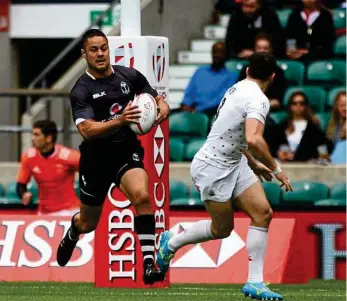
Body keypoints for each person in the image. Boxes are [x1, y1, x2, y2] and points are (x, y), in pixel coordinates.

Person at [157, 53, 292, 300]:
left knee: (263, 213)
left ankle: (255, 282)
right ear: (272, 78)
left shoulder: (237, 87)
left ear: (248, 69)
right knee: (222, 229)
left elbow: (232, 133)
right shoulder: (259, 100)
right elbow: (253, 138)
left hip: (236, 161)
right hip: (212, 167)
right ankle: (172, 243)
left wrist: (252, 162)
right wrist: (276, 169)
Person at [56, 29, 170, 285]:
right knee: (89, 222)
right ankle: (74, 230)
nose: (100, 54)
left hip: (124, 152)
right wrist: (119, 120)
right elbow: (86, 130)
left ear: (109, 49)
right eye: (94, 50)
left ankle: (149, 265)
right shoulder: (81, 89)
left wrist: (162, 107)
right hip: (96, 160)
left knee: (142, 195)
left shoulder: (129, 76)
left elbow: (157, 99)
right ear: (84, 54)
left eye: (103, 48)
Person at [16, 120, 80, 216]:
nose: (32, 139)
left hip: (69, 211)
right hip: (43, 213)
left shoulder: (70, 156)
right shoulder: (28, 157)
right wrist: (24, 194)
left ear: (48, 138)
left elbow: (92, 174)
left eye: (36, 135)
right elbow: (21, 185)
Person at [181, 41, 238, 118]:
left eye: (220, 53)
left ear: (226, 55)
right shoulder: (200, 71)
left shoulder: (232, 76)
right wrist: (186, 105)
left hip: (211, 112)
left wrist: (198, 109)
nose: (217, 55)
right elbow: (189, 92)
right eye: (215, 52)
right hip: (192, 110)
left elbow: (221, 99)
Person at [273, 92, 332, 162]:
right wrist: (278, 154)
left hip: (306, 166)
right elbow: (272, 146)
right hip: (284, 165)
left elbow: (322, 147)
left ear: (306, 106)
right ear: (290, 106)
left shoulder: (313, 128)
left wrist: (323, 155)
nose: (298, 105)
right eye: (294, 103)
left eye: (301, 103)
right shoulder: (281, 127)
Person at [238, 32, 287, 111]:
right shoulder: (246, 70)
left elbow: (277, 102)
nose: (262, 51)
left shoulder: (278, 72)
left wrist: (258, 106)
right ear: (254, 49)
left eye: (265, 48)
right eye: (259, 48)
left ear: (271, 50)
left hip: (269, 112)